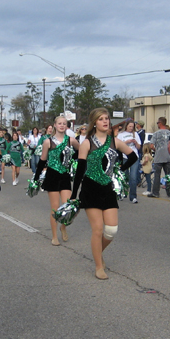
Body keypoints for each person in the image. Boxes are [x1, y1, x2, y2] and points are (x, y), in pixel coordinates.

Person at [69, 108, 137, 279]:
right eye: (101, 119)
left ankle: (97, 253)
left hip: (108, 188)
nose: (105, 121)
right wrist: (73, 195)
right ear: (95, 122)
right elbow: (80, 170)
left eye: (107, 118)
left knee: (111, 230)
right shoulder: (87, 143)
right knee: (98, 229)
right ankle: (99, 266)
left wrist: (119, 170)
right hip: (90, 188)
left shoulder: (114, 141)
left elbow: (133, 157)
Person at [33, 116, 80, 245]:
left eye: (64, 124)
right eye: (59, 123)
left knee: (68, 206)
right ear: (54, 125)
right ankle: (54, 236)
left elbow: (81, 152)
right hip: (52, 176)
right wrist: (36, 178)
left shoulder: (71, 140)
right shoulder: (48, 142)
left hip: (64, 176)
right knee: (55, 208)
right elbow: (42, 160)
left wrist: (71, 159)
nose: (62, 125)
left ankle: (63, 227)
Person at [118, 120, 142, 203]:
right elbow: (118, 146)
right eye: (130, 126)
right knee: (124, 176)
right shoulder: (121, 135)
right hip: (124, 157)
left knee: (133, 177)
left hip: (134, 157)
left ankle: (133, 196)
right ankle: (122, 193)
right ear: (126, 126)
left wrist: (135, 143)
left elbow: (139, 147)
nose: (131, 128)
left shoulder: (136, 134)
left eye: (132, 127)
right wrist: (126, 142)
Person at [148, 117, 170, 198]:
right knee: (168, 175)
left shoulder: (156, 133)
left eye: (158, 123)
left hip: (159, 157)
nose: (157, 124)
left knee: (157, 175)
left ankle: (155, 192)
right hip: (168, 156)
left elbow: (151, 146)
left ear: (160, 123)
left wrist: (156, 149)